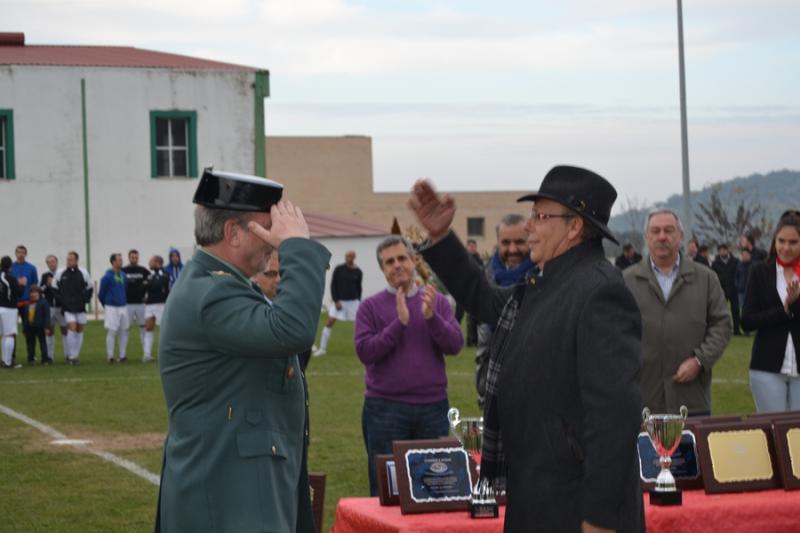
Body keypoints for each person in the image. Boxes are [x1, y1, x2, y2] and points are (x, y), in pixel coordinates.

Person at [409, 166, 644, 533]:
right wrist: (441, 236)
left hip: (576, 508)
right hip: (535, 497)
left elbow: (615, 417)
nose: (529, 226)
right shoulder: (545, 284)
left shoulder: (599, 292)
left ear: (575, 227)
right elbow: (484, 298)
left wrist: (600, 518)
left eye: (540, 216)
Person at [156, 169, 330, 533]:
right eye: (266, 229)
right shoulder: (213, 294)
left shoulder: (222, 287)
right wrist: (297, 246)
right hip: (228, 496)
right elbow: (293, 330)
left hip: (239, 489)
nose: (274, 240)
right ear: (232, 233)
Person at [354, 236, 464, 497]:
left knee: (433, 488)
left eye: (402, 258)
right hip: (385, 409)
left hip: (432, 408)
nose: (397, 265)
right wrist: (398, 323)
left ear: (414, 260)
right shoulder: (370, 307)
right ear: (382, 269)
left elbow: (456, 345)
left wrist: (430, 318)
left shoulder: (435, 301)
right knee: (387, 490)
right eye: (389, 262)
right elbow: (365, 352)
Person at [624, 209, 732, 416]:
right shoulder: (626, 281)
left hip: (691, 400)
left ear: (680, 236)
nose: (662, 236)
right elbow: (613, 333)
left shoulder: (706, 278)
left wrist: (700, 360)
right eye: (655, 231)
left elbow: (722, 325)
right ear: (647, 237)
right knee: (646, 449)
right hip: (643, 399)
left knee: (689, 448)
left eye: (669, 230)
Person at [475, 213, 537, 408]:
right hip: (494, 384)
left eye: (520, 242)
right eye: (506, 242)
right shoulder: (486, 275)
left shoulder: (545, 273)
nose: (512, 249)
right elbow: (483, 342)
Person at [741, 210, 800, 412]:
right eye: (781, 240)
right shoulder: (760, 271)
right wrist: (784, 310)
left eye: (793, 242)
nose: (786, 247)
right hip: (766, 367)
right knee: (773, 432)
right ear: (774, 240)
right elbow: (747, 320)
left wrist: (795, 305)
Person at [312, 250, 362, 356]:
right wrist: (336, 301)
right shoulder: (339, 269)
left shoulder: (358, 272)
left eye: (351, 256)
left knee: (359, 325)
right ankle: (322, 349)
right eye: (347, 256)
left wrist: (359, 301)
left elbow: (359, 288)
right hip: (340, 302)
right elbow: (333, 285)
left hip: (353, 302)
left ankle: (362, 349)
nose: (349, 258)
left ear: (354, 257)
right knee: (330, 322)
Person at [53, 251, 93, 365]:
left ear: (76, 260)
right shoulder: (60, 272)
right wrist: (62, 300)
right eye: (67, 259)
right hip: (67, 307)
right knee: (72, 328)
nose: (68, 261)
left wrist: (85, 300)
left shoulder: (83, 272)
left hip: (80, 307)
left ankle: (75, 355)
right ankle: (71, 356)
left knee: (79, 329)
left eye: (71, 259)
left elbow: (90, 288)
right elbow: (54, 288)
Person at [99, 253, 129, 363]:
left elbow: (125, 288)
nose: (121, 262)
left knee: (124, 331)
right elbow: (101, 293)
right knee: (112, 331)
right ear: (113, 262)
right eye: (119, 260)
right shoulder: (107, 277)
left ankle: (122, 355)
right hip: (111, 307)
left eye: (121, 260)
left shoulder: (123, 275)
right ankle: (110, 356)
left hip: (123, 306)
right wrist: (106, 304)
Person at [123, 249, 150, 354]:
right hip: (127, 304)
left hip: (141, 304)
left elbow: (150, 284)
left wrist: (148, 297)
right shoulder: (123, 271)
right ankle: (122, 354)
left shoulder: (144, 271)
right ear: (129, 258)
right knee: (126, 329)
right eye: (132, 257)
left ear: (138, 258)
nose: (134, 259)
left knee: (144, 328)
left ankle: (146, 353)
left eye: (136, 257)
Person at [143, 255, 169, 363]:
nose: (149, 263)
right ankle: (147, 354)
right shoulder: (150, 275)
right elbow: (144, 286)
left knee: (163, 329)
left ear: (157, 262)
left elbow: (159, 284)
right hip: (149, 305)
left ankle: (164, 354)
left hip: (161, 304)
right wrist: (150, 284)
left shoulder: (166, 273)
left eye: (151, 261)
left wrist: (150, 284)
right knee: (148, 328)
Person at [712, 243, 741, 335]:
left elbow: (738, 274)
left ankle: (736, 330)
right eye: (720, 250)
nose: (722, 252)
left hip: (733, 289)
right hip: (721, 290)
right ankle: (722, 330)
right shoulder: (715, 263)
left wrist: (737, 284)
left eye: (724, 250)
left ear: (728, 250)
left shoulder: (735, 261)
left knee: (735, 310)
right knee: (721, 312)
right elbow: (713, 276)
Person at [41, 254, 66, 361]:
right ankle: (49, 356)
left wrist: (56, 283)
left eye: (53, 261)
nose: (52, 264)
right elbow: (40, 289)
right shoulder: (44, 275)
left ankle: (68, 355)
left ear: (57, 262)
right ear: (47, 264)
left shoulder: (63, 274)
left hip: (61, 306)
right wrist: (47, 284)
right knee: (49, 331)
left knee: (65, 330)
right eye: (49, 262)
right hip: (49, 307)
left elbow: (67, 288)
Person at [0, 256, 22, 369]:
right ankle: (8, 362)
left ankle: (4, 360)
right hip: (9, 308)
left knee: (4, 334)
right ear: (10, 266)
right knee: (10, 334)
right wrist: (22, 284)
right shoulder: (11, 278)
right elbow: (18, 293)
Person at [21, 285, 51, 364]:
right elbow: (25, 317)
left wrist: (47, 327)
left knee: (42, 343)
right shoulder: (28, 303)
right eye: (31, 292)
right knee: (30, 344)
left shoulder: (43, 303)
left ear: (39, 293)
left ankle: (45, 359)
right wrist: (24, 328)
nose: (33, 294)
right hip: (30, 326)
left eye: (35, 292)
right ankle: (31, 358)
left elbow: (47, 316)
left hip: (40, 326)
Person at [463, 239, 483, 345]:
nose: (473, 248)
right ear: (467, 247)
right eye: (471, 246)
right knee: (470, 316)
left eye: (474, 246)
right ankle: (470, 340)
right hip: (468, 289)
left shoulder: (479, 259)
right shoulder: (464, 259)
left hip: (478, 289)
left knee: (477, 316)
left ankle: (475, 339)